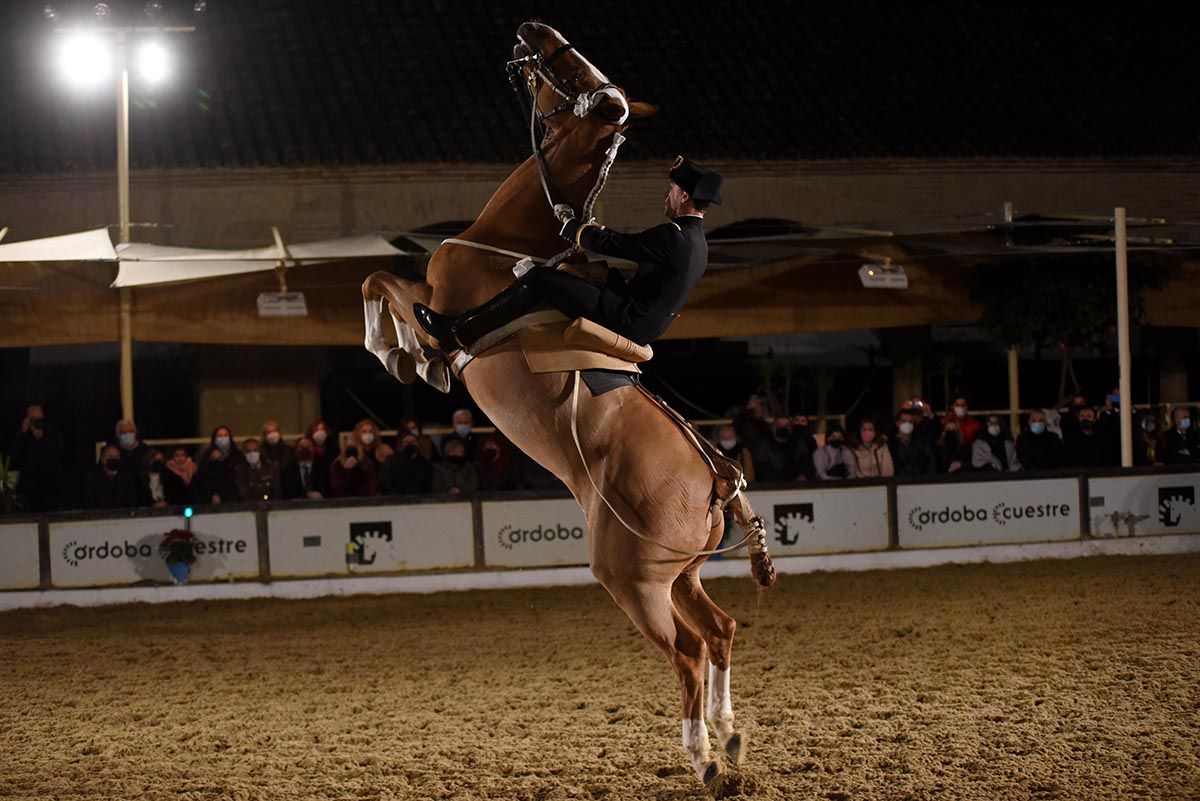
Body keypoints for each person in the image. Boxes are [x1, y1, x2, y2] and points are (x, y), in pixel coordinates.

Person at [414, 156, 723, 351]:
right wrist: (588, 231)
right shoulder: (698, 242)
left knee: (539, 278)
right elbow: (627, 248)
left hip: (625, 318)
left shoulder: (673, 235)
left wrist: (571, 225)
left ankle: (460, 330)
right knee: (591, 269)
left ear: (684, 195)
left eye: (671, 189)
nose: (666, 195)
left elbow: (616, 245)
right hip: (646, 321)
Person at [8, 404, 64, 512]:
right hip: (28, 493)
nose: (38, 422)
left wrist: (42, 438)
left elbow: (57, 455)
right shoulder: (22, 435)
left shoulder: (52, 434)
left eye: (40, 419)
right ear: (28, 419)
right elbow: (14, 457)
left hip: (49, 492)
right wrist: (23, 433)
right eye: (34, 419)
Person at [83, 444, 138, 509]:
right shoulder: (92, 479)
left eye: (117, 456)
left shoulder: (127, 478)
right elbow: (89, 504)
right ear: (103, 459)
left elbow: (132, 504)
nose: (114, 459)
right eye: (110, 456)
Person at [890, 409, 938, 475]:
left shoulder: (922, 442)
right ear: (897, 423)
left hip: (921, 482)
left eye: (910, 421)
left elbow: (932, 463)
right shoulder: (890, 444)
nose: (907, 424)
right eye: (904, 421)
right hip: (899, 482)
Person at [306, 420, 337, 486]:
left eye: (322, 429)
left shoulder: (333, 448)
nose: (320, 432)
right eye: (317, 430)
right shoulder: (307, 448)